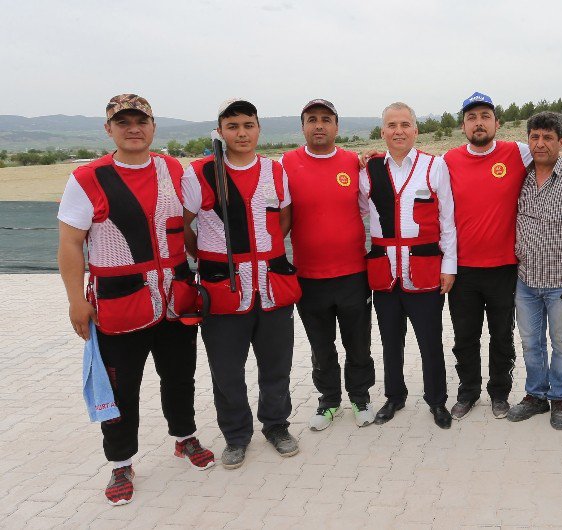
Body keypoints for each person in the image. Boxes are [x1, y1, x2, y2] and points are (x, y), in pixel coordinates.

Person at [57, 94, 214, 505]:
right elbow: (71, 244)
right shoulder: (88, 178)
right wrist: (76, 300)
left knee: (180, 377)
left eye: (140, 120)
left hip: (175, 301)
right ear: (108, 129)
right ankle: (121, 462)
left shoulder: (173, 169)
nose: (133, 128)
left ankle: (185, 438)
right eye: (122, 122)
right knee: (121, 388)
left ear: (153, 126)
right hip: (120, 305)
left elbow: (203, 205)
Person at [182, 98, 301, 469]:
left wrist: (261, 253)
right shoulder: (200, 173)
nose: (242, 133)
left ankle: (276, 425)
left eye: (248, 125)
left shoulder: (276, 171)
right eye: (233, 126)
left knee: (276, 366)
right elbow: (186, 227)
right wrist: (211, 258)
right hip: (223, 293)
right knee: (227, 371)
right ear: (220, 132)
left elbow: (283, 221)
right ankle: (236, 435)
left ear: (258, 129)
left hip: (272, 288)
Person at [360, 101, 457, 430]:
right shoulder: (369, 170)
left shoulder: (435, 166)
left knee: (430, 340)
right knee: (390, 340)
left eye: (405, 124)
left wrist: (450, 266)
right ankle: (394, 396)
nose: (398, 130)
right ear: (383, 131)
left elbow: (448, 221)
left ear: (415, 130)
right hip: (385, 271)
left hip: (425, 270)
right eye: (392, 125)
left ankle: (437, 400)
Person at [282, 99, 376, 430]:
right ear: (303, 126)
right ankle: (329, 401)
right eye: (312, 119)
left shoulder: (354, 162)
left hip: (353, 273)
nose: (318, 125)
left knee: (358, 343)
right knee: (322, 347)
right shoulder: (286, 164)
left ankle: (360, 396)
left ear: (337, 126)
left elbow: (370, 205)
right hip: (309, 276)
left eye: (325, 119)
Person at [442, 92, 531, 420]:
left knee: (501, 336)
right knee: (465, 336)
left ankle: (499, 393)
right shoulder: (448, 160)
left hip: (504, 268)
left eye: (484, 116)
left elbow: (556, 157)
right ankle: (467, 392)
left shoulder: (516, 153)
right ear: (463, 125)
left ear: (497, 122)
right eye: (471, 118)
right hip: (462, 269)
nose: (478, 123)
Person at [505, 111, 562, 430]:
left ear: (561, 141)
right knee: (531, 343)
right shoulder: (519, 175)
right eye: (535, 137)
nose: (540, 144)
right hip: (525, 281)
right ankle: (535, 396)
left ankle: (559, 398)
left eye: (547, 137)